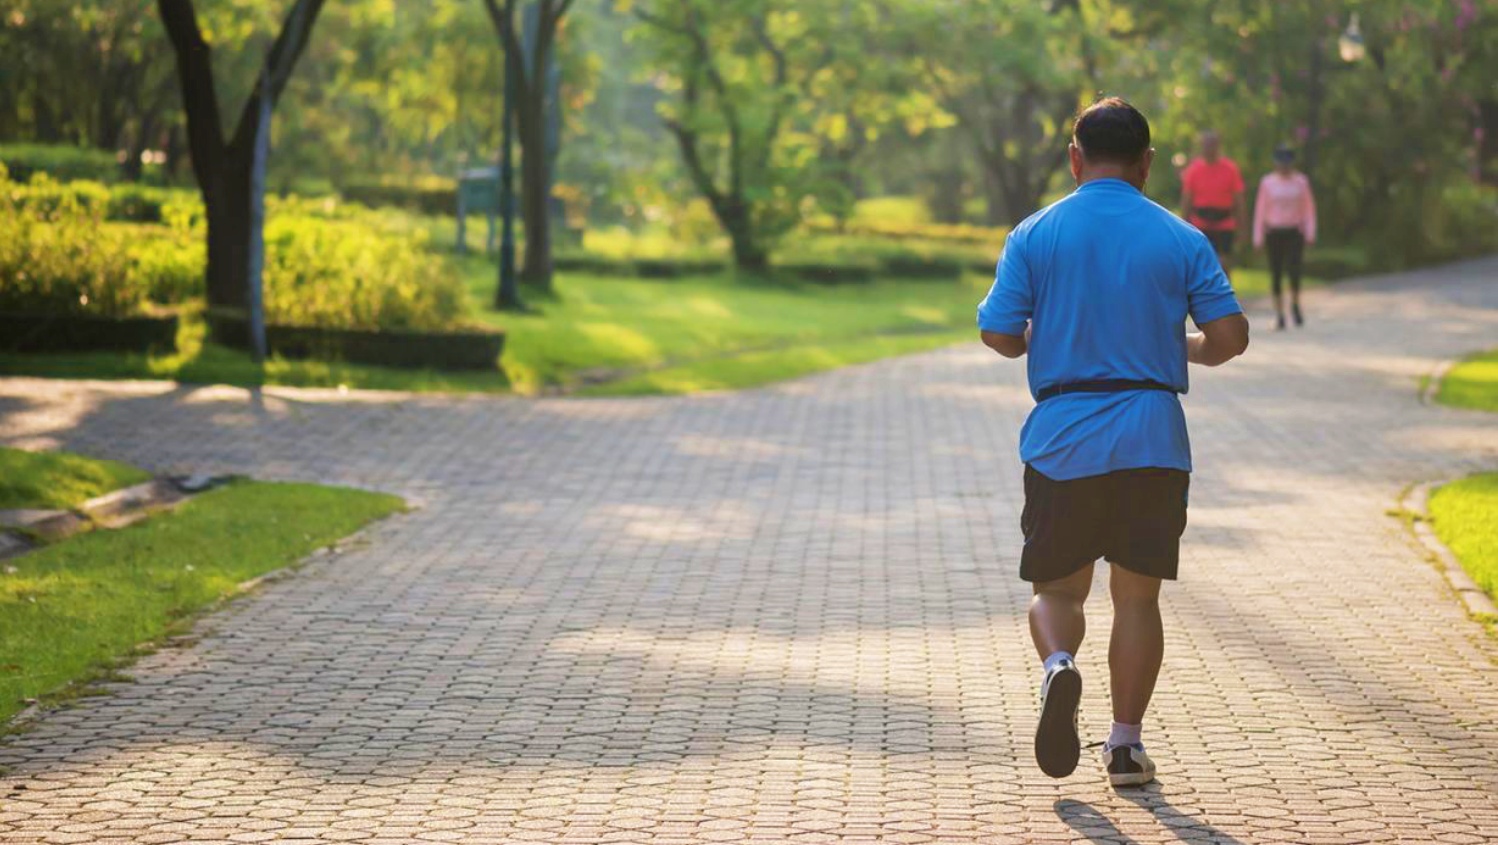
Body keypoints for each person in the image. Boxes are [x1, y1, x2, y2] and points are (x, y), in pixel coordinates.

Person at [976, 97, 1250, 788]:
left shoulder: (1034, 233)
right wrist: (1181, 345)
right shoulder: (1180, 237)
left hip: (1062, 435)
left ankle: (1057, 666)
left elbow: (999, 333)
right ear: (1148, 165)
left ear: (1075, 158)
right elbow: (1230, 337)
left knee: (1058, 590)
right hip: (1152, 438)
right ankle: (1125, 745)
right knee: (1137, 599)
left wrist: (1041, 336)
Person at [1253, 144, 1318, 329]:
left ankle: (1295, 303)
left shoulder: (1301, 182)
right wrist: (1257, 236)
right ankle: (1279, 313)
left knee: (1294, 270)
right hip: (1274, 231)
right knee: (1276, 273)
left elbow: (1309, 209)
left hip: (1294, 231)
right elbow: (1260, 210)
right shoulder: (1267, 182)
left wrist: (1310, 232)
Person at [1179, 131, 1246, 278]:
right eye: (1207, 145)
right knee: (1199, 263)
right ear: (1202, 147)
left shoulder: (1230, 169)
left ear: (1218, 146)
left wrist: (1242, 227)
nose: (1210, 148)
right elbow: (1187, 200)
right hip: (1200, 222)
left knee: (1224, 264)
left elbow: (1239, 199)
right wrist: (1183, 225)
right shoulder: (1193, 170)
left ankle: (1224, 295)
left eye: (1213, 145)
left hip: (1224, 223)